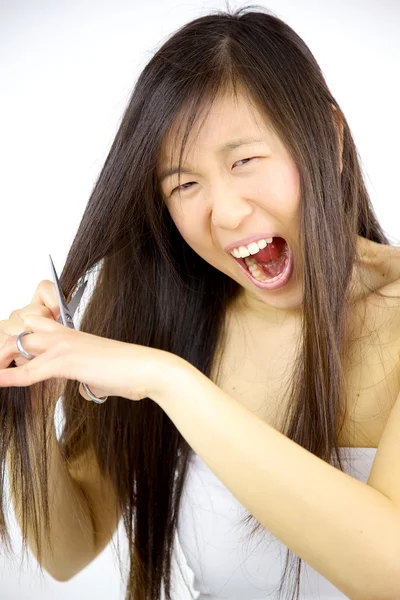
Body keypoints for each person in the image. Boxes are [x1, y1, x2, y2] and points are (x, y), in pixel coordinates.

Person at [1, 5, 400, 599]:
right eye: (184, 185)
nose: (227, 213)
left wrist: (172, 382)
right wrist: (31, 415)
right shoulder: (166, 308)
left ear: (331, 135)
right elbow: (67, 551)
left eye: (244, 161)